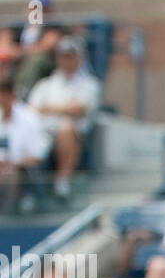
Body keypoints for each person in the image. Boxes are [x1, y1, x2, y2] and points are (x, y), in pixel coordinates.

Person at [26, 38, 100, 200]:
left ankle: (62, 181)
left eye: (70, 57)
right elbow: (31, 111)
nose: (66, 61)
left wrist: (49, 108)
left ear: (79, 59)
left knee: (65, 127)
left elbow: (78, 109)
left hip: (75, 136)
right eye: (63, 57)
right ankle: (27, 193)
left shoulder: (89, 84)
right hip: (43, 133)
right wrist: (64, 108)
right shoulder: (45, 84)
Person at [0, 76, 48, 214]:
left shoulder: (29, 119)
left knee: (10, 172)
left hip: (23, 172)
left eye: (5, 95)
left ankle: (7, 214)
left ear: (13, 95)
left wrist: (11, 164)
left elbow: (36, 157)